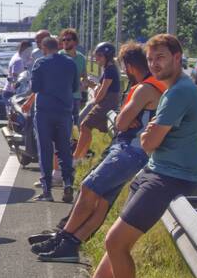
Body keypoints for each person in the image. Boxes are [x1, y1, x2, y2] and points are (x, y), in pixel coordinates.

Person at [42, 33, 197, 278]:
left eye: (162, 58)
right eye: (152, 59)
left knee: (115, 242)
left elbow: (148, 141)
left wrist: (149, 134)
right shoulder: (173, 90)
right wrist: (150, 134)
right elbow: (149, 136)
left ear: (178, 58)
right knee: (117, 244)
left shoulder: (178, 93)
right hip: (158, 171)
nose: (155, 64)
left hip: (168, 177)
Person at [32, 43, 166, 263]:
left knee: (88, 188)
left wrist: (125, 116)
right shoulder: (156, 86)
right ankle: (70, 245)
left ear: (130, 65)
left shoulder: (144, 89)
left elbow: (121, 122)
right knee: (102, 202)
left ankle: (64, 238)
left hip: (127, 150)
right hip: (138, 153)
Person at [24, 35, 78, 203]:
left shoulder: (40, 64)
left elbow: (35, 87)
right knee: (64, 149)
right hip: (64, 111)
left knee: (45, 150)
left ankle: (47, 191)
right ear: (59, 46)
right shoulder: (70, 63)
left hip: (44, 112)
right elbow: (76, 87)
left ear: (44, 49)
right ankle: (68, 184)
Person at [73, 41, 120, 161]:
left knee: (84, 125)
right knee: (85, 126)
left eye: (99, 56)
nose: (96, 58)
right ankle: (82, 156)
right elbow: (101, 87)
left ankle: (76, 157)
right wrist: (92, 85)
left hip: (106, 103)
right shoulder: (108, 69)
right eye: (96, 55)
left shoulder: (110, 70)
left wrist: (94, 102)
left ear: (107, 56)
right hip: (105, 102)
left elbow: (104, 91)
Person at [59, 29, 86, 127]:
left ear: (75, 42)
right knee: (62, 124)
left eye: (68, 39)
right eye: (63, 40)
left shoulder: (81, 58)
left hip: (76, 96)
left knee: (75, 124)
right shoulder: (58, 56)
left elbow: (84, 76)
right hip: (61, 97)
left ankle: (73, 142)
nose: (65, 42)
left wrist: (83, 83)